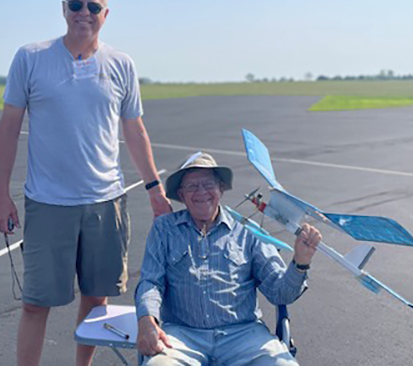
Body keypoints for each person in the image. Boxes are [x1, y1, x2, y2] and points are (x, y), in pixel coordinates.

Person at [0, 0, 171, 366]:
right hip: (48, 203)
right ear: (63, 9)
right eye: (76, 5)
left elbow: (134, 130)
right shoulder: (31, 58)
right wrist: (1, 194)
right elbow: (8, 128)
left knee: (97, 299)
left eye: (93, 7)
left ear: (105, 13)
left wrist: (154, 187)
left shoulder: (121, 64)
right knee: (36, 304)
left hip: (106, 201)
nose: (83, 13)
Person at [135, 152, 322, 366]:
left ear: (221, 188)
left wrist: (300, 263)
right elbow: (150, 282)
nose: (201, 192)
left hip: (244, 336)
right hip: (182, 336)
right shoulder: (164, 229)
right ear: (181, 194)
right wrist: (147, 321)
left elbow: (280, 293)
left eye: (208, 184)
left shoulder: (249, 231)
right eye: (192, 187)